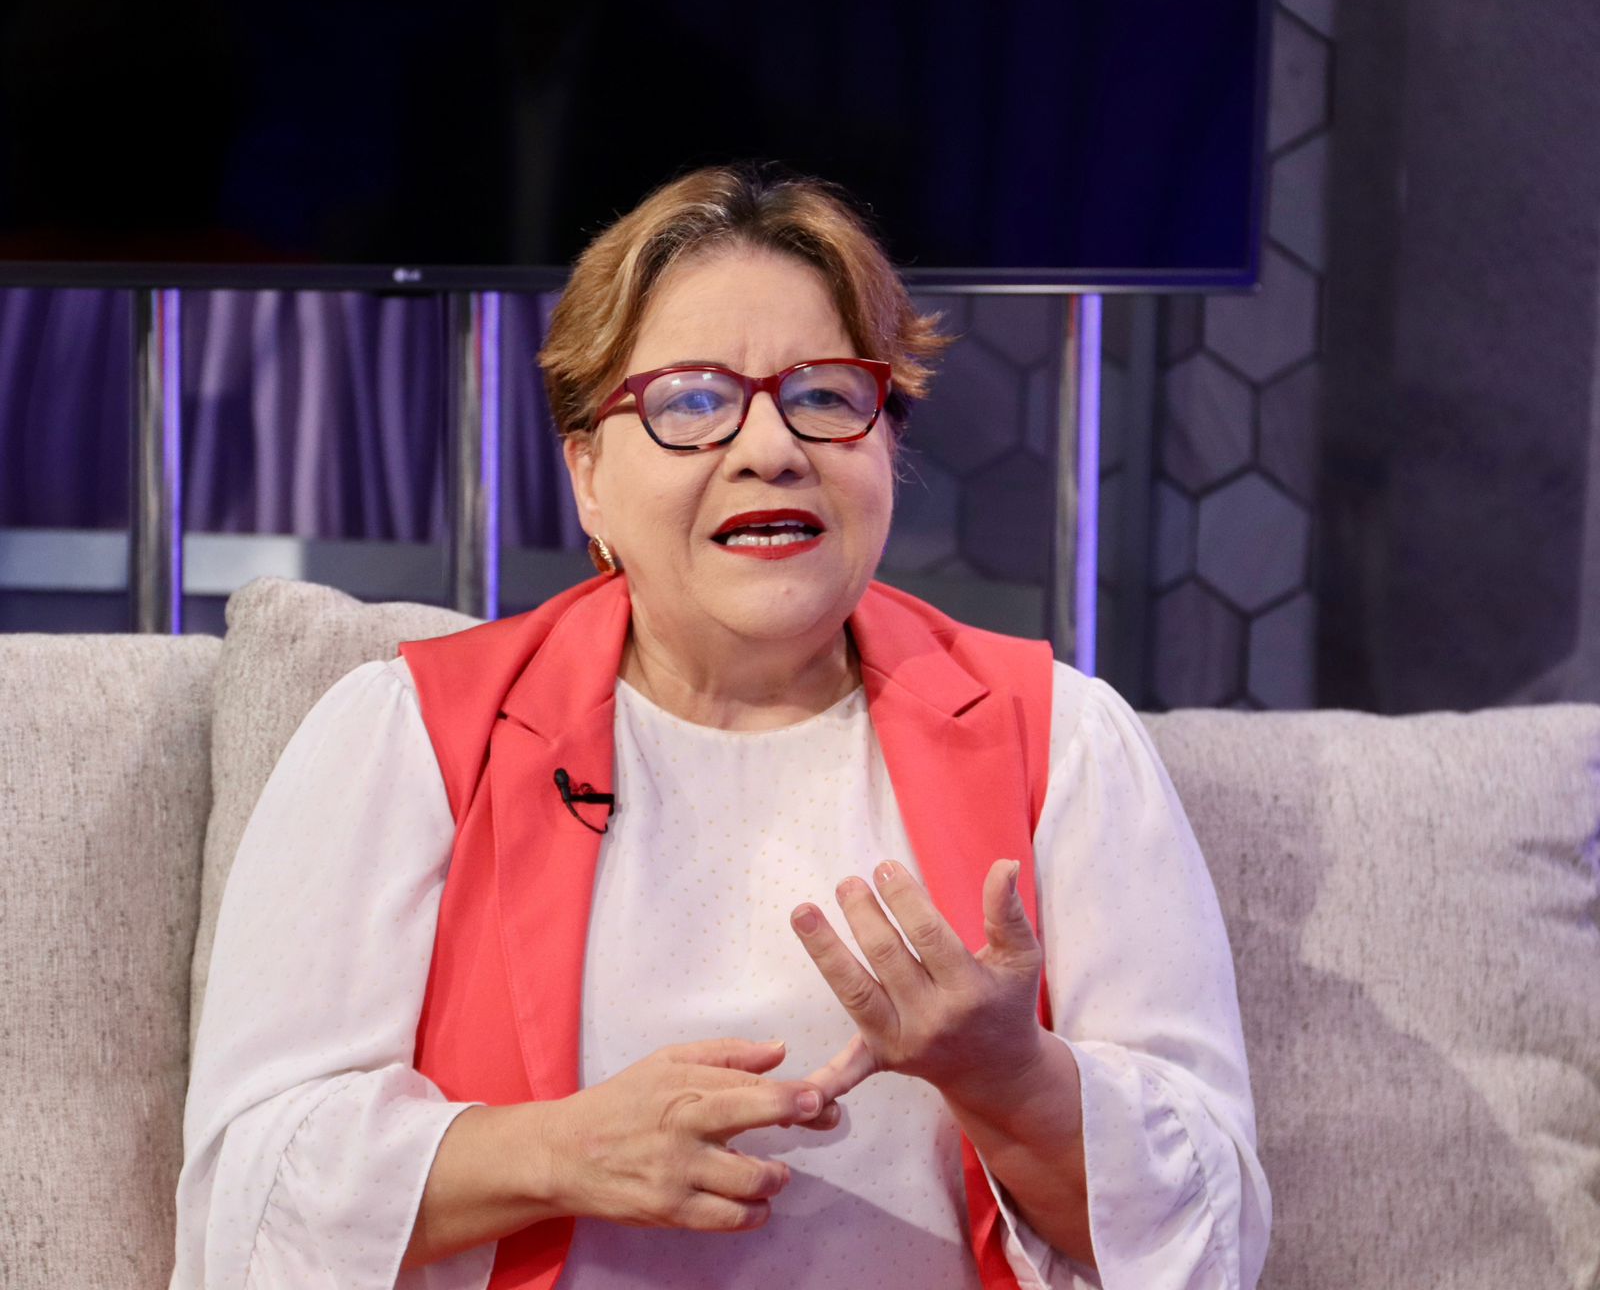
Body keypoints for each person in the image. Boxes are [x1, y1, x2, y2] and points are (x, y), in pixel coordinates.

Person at [173, 164, 1271, 1290]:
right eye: (692, 402)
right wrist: (555, 1153)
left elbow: (1213, 1236)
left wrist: (1014, 1078)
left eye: (826, 396)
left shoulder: (1061, 740)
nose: (770, 448)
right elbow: (247, 1201)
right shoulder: (412, 738)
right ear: (588, 476)